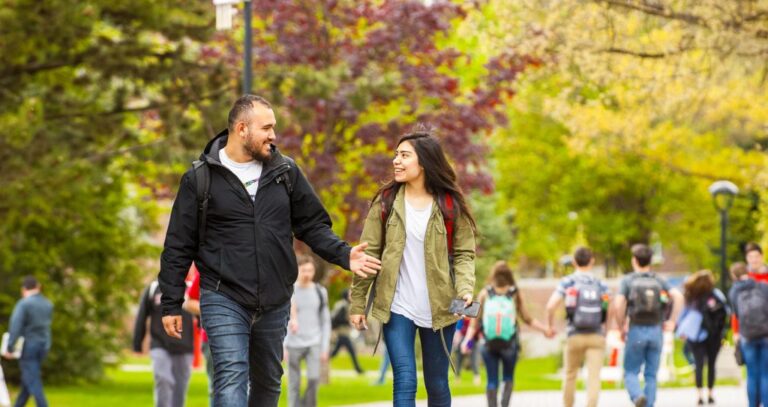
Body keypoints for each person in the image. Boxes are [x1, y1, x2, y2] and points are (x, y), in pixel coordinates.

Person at [158, 94, 381, 407]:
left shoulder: (285, 173)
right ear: (241, 129)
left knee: (267, 383)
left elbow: (313, 226)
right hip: (223, 294)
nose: (274, 135)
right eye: (267, 128)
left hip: (275, 298)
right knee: (231, 375)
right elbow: (178, 245)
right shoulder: (200, 179)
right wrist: (171, 303)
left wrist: (344, 254)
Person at [349, 127, 477, 407]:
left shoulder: (449, 205)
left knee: (437, 384)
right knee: (405, 380)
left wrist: (465, 289)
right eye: (396, 155)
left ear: (424, 162)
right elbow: (366, 255)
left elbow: (465, 254)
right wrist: (358, 303)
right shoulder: (385, 203)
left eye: (404, 155)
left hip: (441, 308)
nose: (396, 160)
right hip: (397, 306)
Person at [463, 261, 551, 407]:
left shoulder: (486, 293)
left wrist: (467, 341)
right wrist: (545, 330)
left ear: (494, 275)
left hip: (488, 344)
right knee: (508, 377)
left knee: (492, 380)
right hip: (510, 344)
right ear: (509, 275)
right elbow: (527, 319)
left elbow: (474, 322)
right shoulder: (514, 293)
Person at [614, 244, 683, 407]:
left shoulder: (628, 280)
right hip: (656, 330)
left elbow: (618, 303)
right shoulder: (659, 280)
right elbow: (678, 296)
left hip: (636, 329)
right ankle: (648, 404)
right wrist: (672, 321)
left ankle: (637, 396)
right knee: (651, 374)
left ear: (634, 260)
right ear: (650, 261)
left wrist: (621, 325)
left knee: (630, 371)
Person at [545, 247, 610, 407]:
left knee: (570, 375)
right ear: (592, 261)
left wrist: (549, 326)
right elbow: (609, 307)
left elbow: (550, 306)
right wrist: (605, 331)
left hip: (574, 334)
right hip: (596, 335)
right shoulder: (600, 283)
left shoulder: (569, 281)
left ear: (574, 262)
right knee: (593, 377)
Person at [133, 280, 195, 407]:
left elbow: (203, 315)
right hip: (159, 344)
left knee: (180, 387)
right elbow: (142, 316)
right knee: (163, 379)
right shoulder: (153, 288)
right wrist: (137, 344)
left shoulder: (190, 289)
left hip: (185, 346)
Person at [284, 255, 331, 407]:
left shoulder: (320, 292)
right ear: (297, 270)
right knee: (294, 383)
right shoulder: (289, 291)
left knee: (313, 378)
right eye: (304, 270)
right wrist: (283, 345)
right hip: (293, 344)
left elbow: (325, 321)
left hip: (314, 342)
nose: (307, 274)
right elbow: (282, 320)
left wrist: (324, 347)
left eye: (310, 270)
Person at [676, 270, 729, 405]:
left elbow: (683, 315)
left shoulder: (692, 296)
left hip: (696, 336)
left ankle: (699, 395)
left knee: (698, 365)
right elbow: (726, 312)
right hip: (714, 335)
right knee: (712, 365)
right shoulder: (716, 294)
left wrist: (681, 330)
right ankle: (710, 394)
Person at [2, 277, 53, 407]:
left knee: (33, 379)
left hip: (29, 346)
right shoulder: (48, 304)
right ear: (38, 287)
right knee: (28, 378)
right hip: (44, 345)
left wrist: (10, 347)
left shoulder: (24, 304)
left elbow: (16, 326)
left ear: (24, 289)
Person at [729, 262, 768, 407]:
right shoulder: (762, 286)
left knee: (751, 374)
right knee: (765, 373)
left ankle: (753, 404)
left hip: (747, 336)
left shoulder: (734, 291)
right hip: (765, 334)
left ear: (733, 275)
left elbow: (736, 314)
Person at [181, 264, 214, 406]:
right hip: (212, 339)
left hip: (251, 338)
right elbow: (188, 303)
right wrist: (217, 309)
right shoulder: (209, 269)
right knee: (219, 387)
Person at [329, 289, 364, 375]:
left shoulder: (345, 305)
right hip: (342, 331)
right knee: (350, 350)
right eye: (349, 294)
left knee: (336, 351)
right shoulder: (343, 305)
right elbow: (337, 319)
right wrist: (347, 321)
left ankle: (324, 359)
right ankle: (358, 368)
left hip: (344, 332)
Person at [452, 316, 480, 385]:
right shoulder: (462, 318)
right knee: (459, 358)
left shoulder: (474, 316)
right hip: (463, 338)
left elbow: (475, 328)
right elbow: (458, 328)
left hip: (472, 340)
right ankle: (457, 377)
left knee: (474, 359)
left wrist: (468, 345)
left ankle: (476, 377)